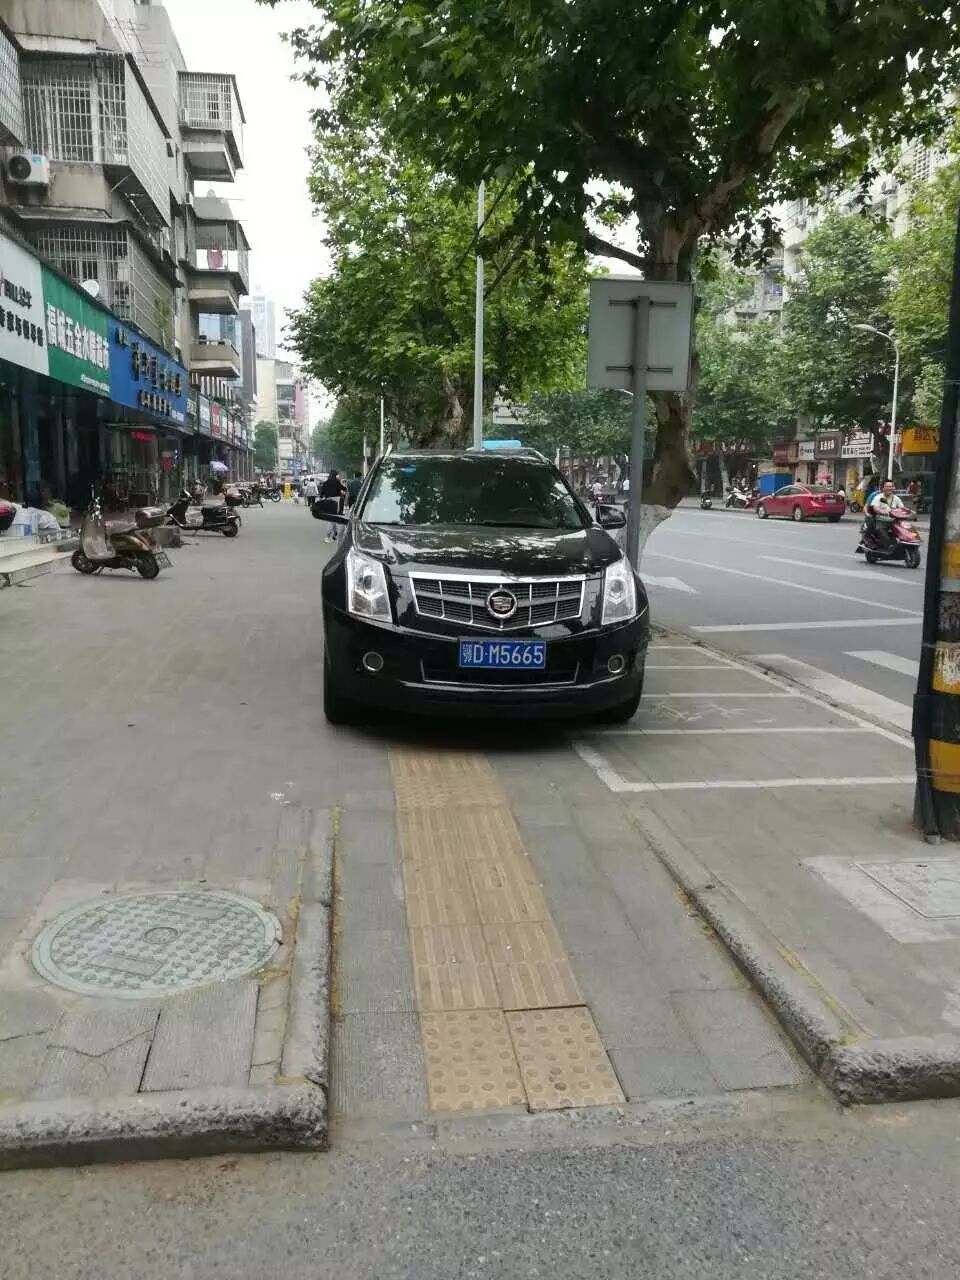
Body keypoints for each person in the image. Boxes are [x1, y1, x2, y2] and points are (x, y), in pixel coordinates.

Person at [866, 479, 906, 551]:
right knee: (881, 531)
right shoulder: (878, 497)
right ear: (883, 488)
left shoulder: (896, 498)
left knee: (904, 531)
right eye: (887, 486)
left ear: (894, 488)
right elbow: (875, 508)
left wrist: (907, 512)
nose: (889, 488)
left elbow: (902, 508)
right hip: (881, 521)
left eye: (891, 486)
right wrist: (882, 511)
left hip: (893, 521)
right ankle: (887, 546)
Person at [319, 470, 345, 542]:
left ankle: (334, 532)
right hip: (336, 500)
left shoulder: (326, 482)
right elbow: (343, 489)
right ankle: (328, 536)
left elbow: (322, 493)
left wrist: (321, 499)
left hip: (328, 500)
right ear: (335, 475)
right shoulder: (337, 482)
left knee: (330, 518)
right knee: (332, 518)